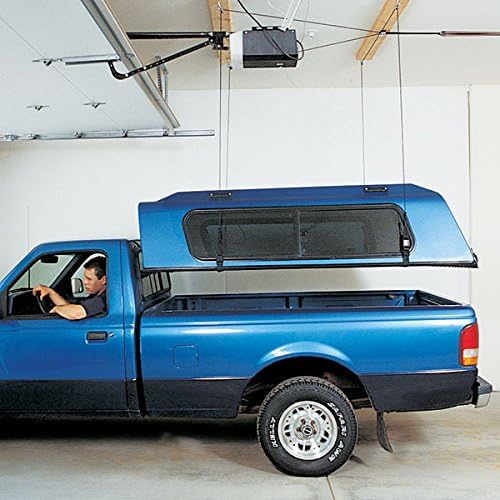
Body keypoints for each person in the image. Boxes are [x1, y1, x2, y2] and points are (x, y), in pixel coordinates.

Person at [32, 256, 107, 320]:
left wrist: (57, 309)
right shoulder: (95, 295)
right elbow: (71, 308)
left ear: (104, 280)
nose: (85, 282)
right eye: (85, 278)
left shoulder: (105, 299)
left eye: (89, 279)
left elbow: (76, 313)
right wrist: (51, 292)